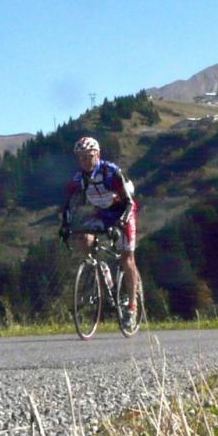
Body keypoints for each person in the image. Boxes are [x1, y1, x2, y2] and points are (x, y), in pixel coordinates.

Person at [58, 136, 139, 324]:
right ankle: (99, 269)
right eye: (81, 157)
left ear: (98, 154)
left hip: (123, 212)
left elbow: (128, 203)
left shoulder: (111, 172)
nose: (85, 161)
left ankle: (132, 308)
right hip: (102, 213)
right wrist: (65, 225)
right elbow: (67, 205)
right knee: (83, 239)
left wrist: (120, 224)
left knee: (127, 258)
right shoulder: (78, 178)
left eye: (88, 156)